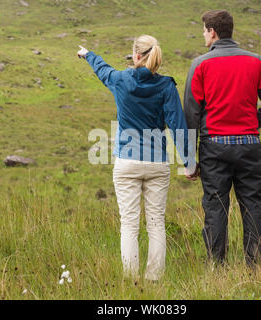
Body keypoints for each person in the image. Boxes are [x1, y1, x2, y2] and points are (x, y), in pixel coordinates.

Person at [77, 35, 197, 281]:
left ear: (136, 55)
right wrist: (189, 162)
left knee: (129, 225)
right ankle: (154, 282)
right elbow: (178, 126)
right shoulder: (166, 86)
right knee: (156, 225)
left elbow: (103, 71)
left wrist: (88, 54)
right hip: (157, 163)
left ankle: (131, 282)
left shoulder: (121, 80)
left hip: (127, 162)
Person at [184, 10, 261, 267]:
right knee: (255, 205)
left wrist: (189, 160)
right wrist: (251, 124)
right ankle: (256, 267)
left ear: (212, 32)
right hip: (249, 146)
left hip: (214, 147)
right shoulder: (257, 61)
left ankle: (217, 268)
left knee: (215, 207)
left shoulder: (200, 65)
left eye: (204, 30)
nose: (203, 35)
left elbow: (191, 115)